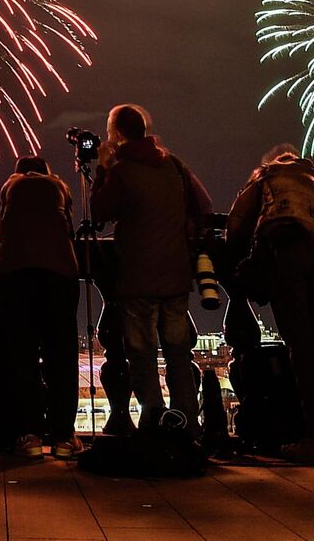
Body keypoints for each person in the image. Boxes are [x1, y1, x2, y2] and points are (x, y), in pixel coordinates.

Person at [228, 143, 314, 463]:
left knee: (301, 346)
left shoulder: (266, 176)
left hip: (287, 254)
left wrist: (240, 258)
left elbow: (237, 225)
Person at [89, 104, 211, 428]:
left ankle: (154, 418)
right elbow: (205, 206)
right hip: (175, 276)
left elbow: (99, 212)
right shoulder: (173, 164)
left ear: (116, 134)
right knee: (178, 353)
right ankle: (186, 420)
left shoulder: (121, 171)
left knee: (141, 353)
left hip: (137, 277)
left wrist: (101, 168)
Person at [0, 155, 82, 458]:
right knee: (62, 355)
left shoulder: (10, 186)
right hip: (60, 275)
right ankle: (63, 436)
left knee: (22, 355)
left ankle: (29, 434)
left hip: (16, 275)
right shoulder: (59, 185)